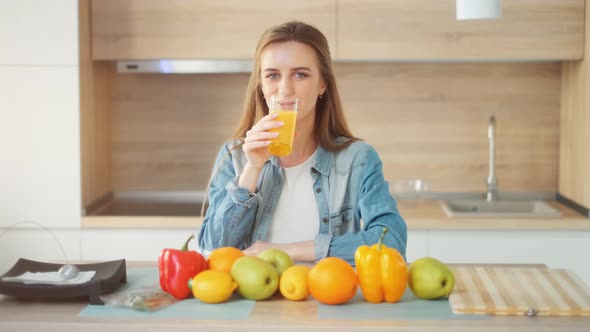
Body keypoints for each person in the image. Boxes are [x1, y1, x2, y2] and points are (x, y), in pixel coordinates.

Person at [197, 21, 407, 265]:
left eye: (300, 74)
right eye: (273, 75)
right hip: (253, 301)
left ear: (322, 84)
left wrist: (287, 251)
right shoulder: (235, 156)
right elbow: (212, 251)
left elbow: (392, 243)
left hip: (329, 299)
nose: (285, 90)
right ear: (261, 86)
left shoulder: (358, 159)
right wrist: (252, 170)